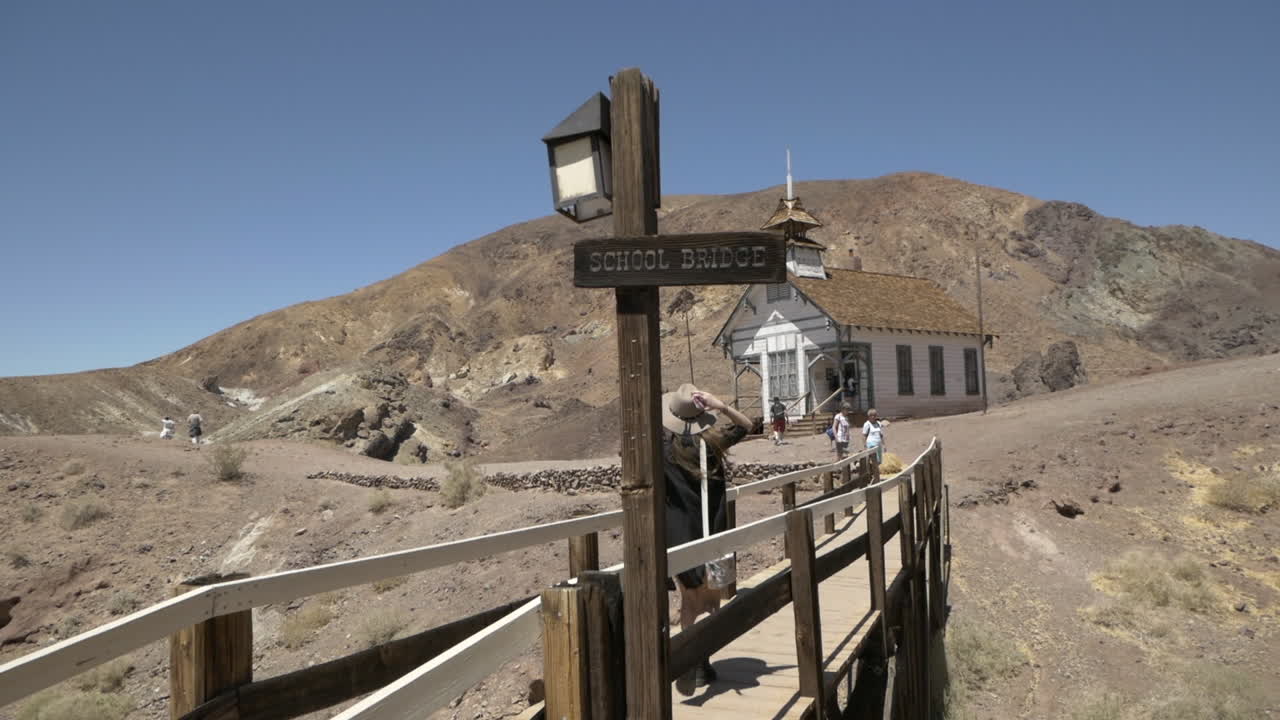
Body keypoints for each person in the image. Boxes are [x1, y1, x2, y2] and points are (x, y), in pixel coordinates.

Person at [661, 383, 752, 695]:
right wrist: (720, 406)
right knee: (713, 599)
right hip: (717, 535)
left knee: (688, 601)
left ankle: (692, 662)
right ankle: (705, 659)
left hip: (682, 539)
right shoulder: (714, 443)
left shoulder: (663, 450)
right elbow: (748, 425)